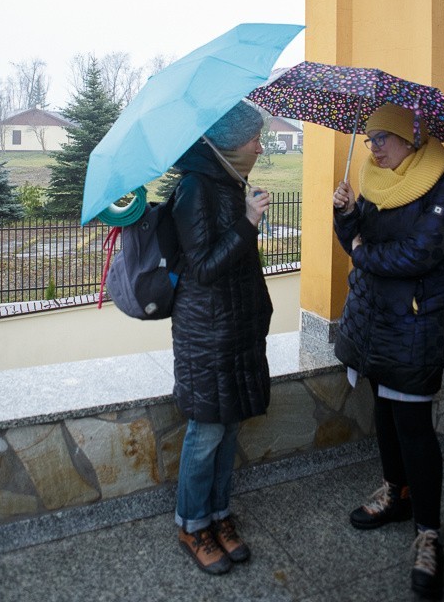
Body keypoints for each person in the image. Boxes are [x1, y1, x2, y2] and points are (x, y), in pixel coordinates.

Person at [332, 103, 444, 601]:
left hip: (415, 323)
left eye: (383, 138)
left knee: (414, 427)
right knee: (384, 412)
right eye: (370, 138)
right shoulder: (376, 179)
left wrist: (359, 252)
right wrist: (345, 214)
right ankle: (395, 492)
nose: (373, 147)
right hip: (376, 320)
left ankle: (429, 533)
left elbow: (421, 253)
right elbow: (354, 241)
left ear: (410, 142)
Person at [170, 100, 271, 575]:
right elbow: (206, 268)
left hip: (235, 327)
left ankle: (218, 515)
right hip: (207, 332)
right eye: (255, 137)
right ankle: (192, 524)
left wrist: (247, 219)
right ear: (231, 141)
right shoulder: (194, 188)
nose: (260, 145)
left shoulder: (229, 182)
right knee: (207, 430)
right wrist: (247, 223)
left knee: (229, 426)